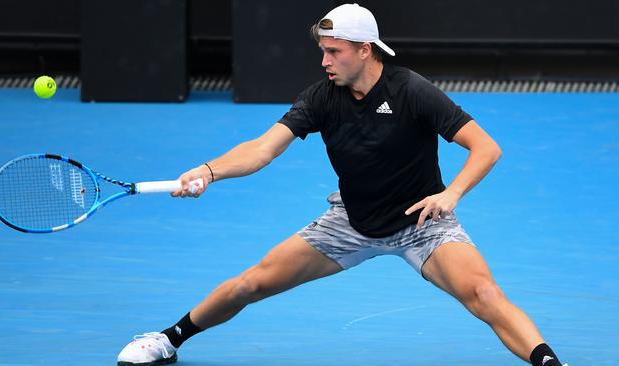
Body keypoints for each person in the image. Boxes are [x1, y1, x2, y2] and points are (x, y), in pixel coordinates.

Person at [117, 4, 565, 366]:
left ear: (366, 50)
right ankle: (168, 339)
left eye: (335, 51)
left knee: (483, 294)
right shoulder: (320, 97)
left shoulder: (411, 90)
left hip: (422, 223)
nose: (324, 61)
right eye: (324, 51)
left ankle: (549, 363)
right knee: (250, 284)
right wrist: (208, 171)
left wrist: (451, 194)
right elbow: (262, 149)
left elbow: (485, 148)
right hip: (351, 221)